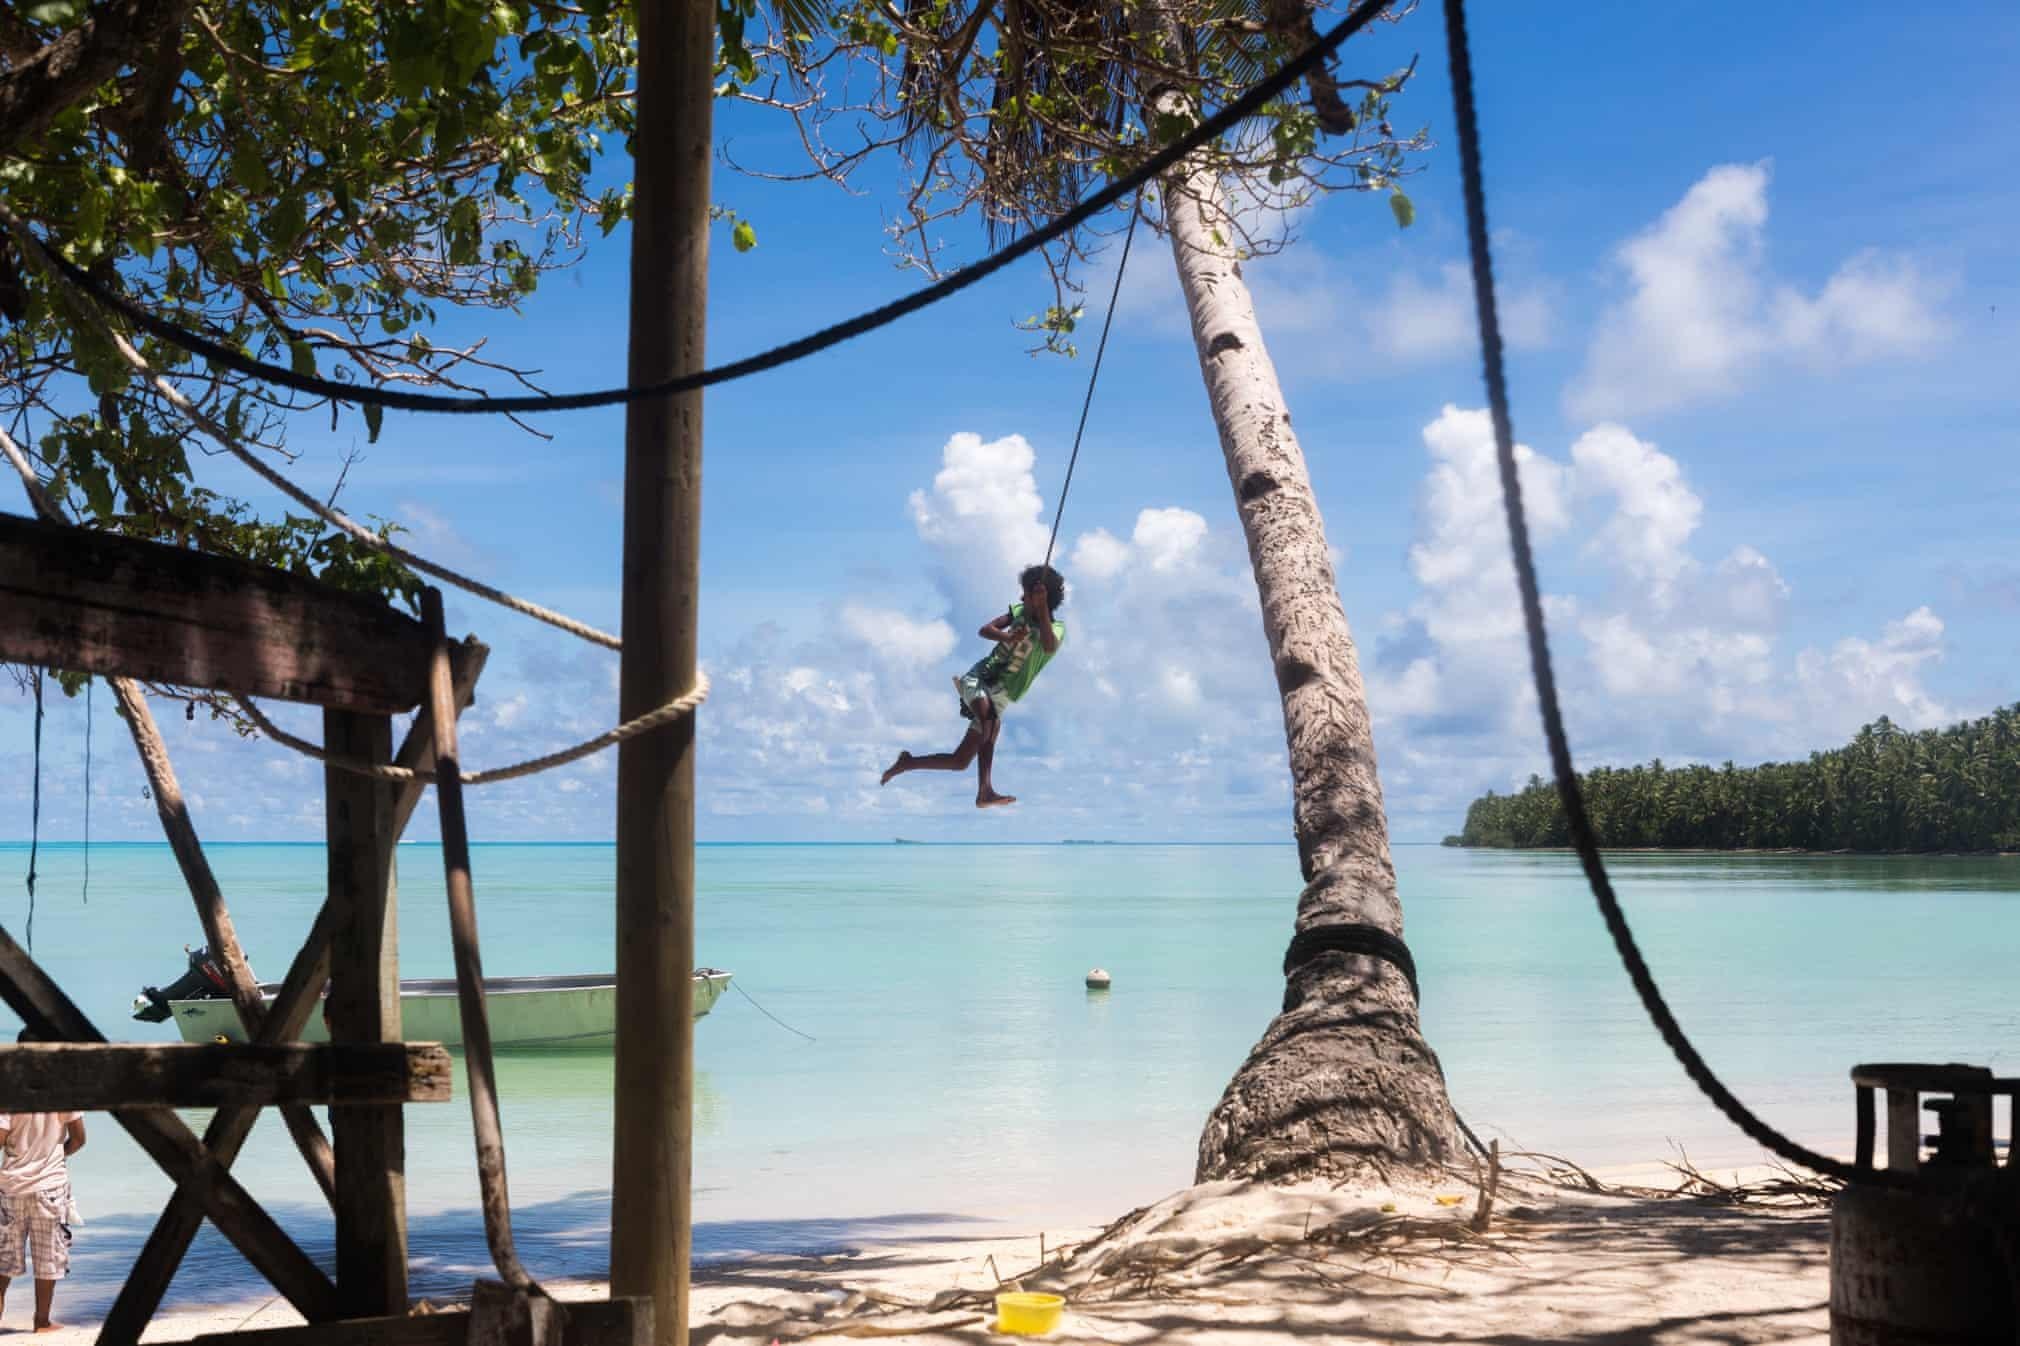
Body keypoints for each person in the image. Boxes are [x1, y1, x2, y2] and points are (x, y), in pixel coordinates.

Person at [881, 564, 1066, 808]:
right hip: (979, 679)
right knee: (991, 721)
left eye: (1026, 594)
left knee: (960, 761)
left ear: (1042, 599)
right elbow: (985, 630)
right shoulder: (1018, 612)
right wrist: (1008, 636)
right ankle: (985, 791)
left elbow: (1049, 645)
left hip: (1001, 695)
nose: (1021, 597)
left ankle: (908, 763)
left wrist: (1042, 611)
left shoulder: (1055, 629)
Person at [0, 1029, 86, 1335]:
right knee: (48, 1258)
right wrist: (54, 1156)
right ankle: (42, 1321)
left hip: (12, 1186)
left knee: (3, 1262)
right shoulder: (62, 1090)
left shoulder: (10, 1091)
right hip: (50, 1187)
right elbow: (79, 1139)